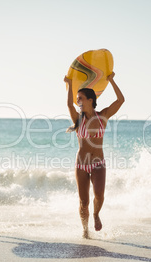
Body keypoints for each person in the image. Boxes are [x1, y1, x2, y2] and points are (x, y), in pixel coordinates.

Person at [64, 72, 124, 238]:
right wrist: (69, 84)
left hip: (98, 162)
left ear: (91, 100)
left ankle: (96, 214)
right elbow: (69, 104)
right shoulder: (78, 119)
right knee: (84, 203)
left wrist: (112, 80)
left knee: (99, 195)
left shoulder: (103, 116)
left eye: (81, 98)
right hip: (81, 163)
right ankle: (85, 230)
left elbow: (120, 100)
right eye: (78, 99)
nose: (78, 101)